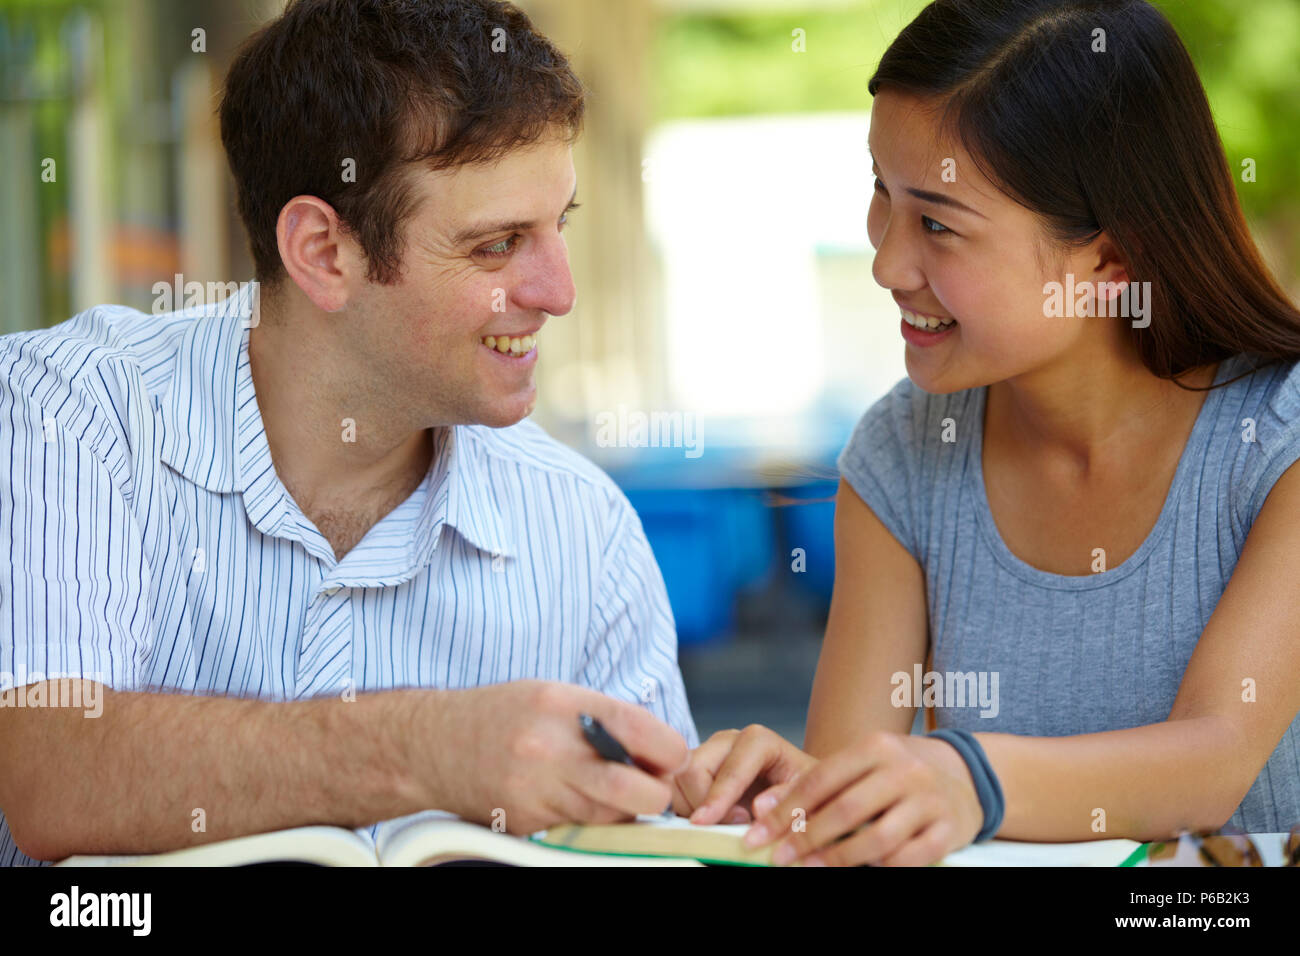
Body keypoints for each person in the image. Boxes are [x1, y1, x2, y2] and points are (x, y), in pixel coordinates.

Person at [0, 0, 696, 867]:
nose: (558, 291)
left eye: (561, 225)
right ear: (324, 253)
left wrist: (722, 809)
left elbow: (662, 841)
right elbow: (53, 774)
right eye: (497, 245)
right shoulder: (78, 410)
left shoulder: (584, 529)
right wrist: (431, 749)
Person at [673, 0, 1300, 866]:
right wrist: (807, 794)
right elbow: (863, 787)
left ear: (1108, 263)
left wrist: (964, 779)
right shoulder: (901, 452)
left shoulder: (1280, 438)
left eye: (937, 223)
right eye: (879, 195)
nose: (887, 264)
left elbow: (1214, 760)